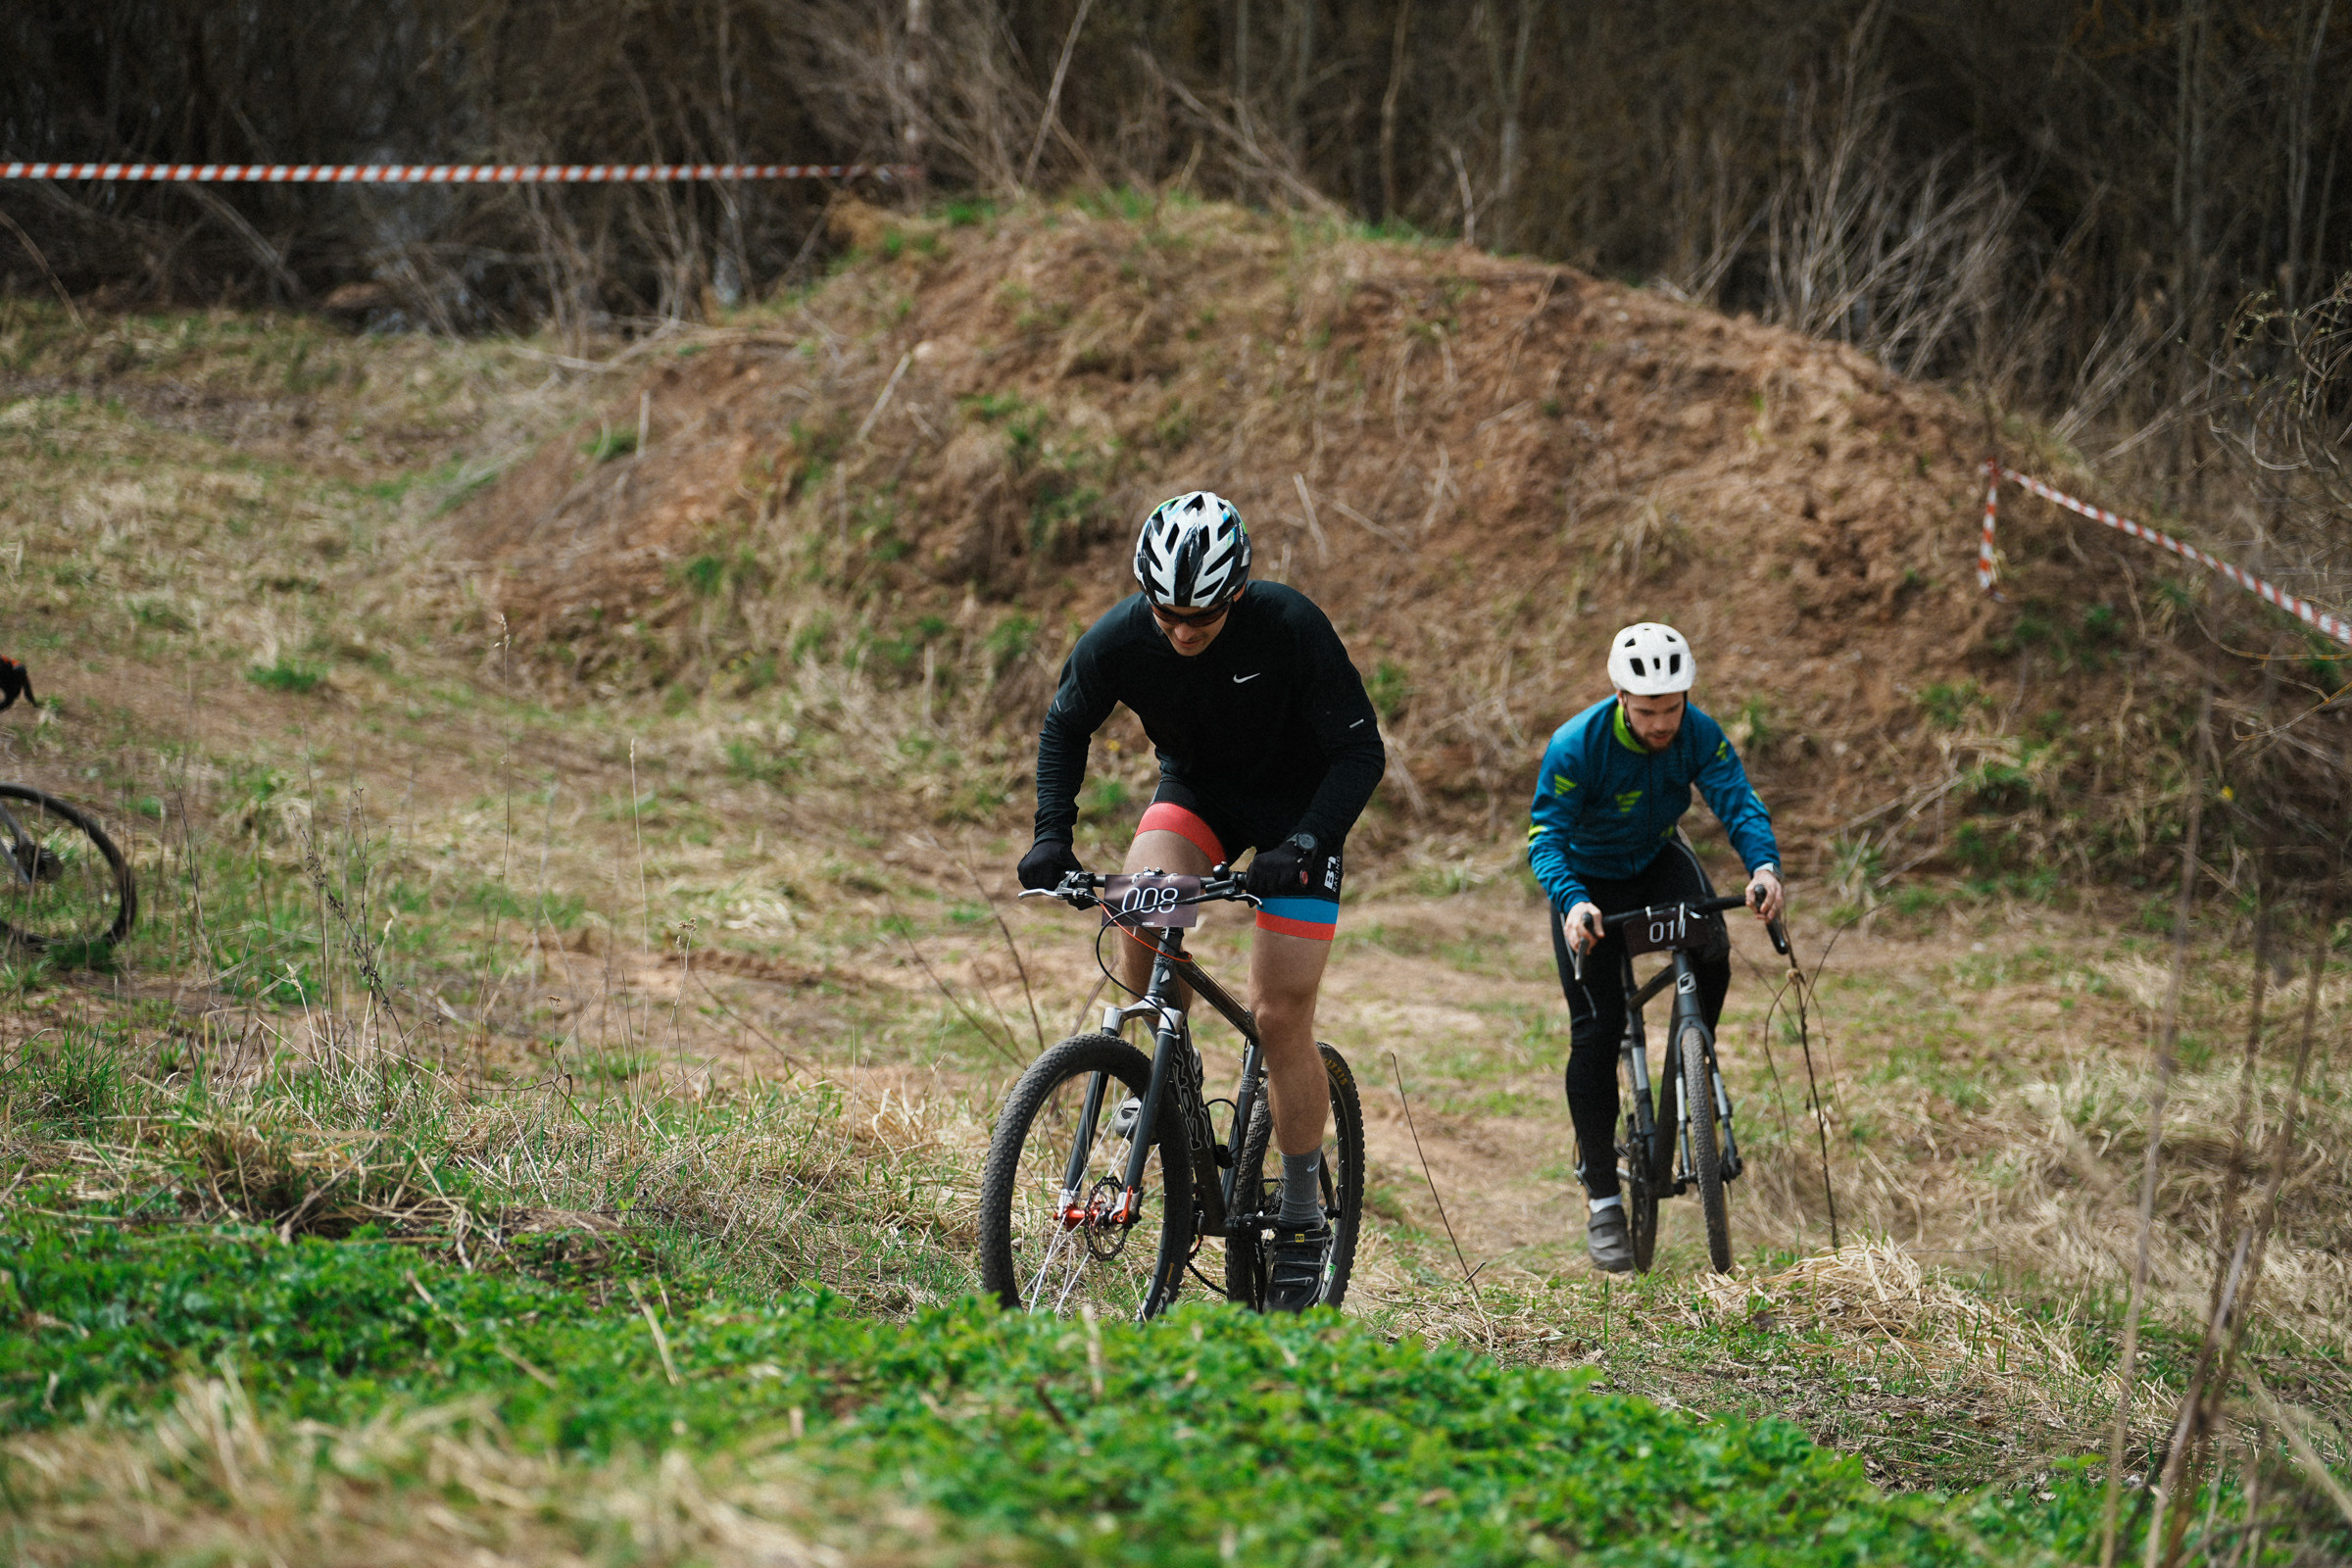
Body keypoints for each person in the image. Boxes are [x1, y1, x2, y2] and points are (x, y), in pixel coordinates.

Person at [1017, 490, 1386, 1311]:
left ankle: (1299, 1217)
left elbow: (1360, 754)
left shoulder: (1290, 627)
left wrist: (1309, 843)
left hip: (1298, 812)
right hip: (1199, 797)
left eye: (1203, 618)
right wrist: (1052, 835)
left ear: (1238, 595)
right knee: (1140, 915)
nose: (1183, 632)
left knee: (1278, 1015)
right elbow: (1063, 727)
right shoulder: (1120, 637)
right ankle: (1168, 1098)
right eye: (1169, 614)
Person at [1524, 622, 1784, 1272]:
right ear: (1619, 697)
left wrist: (1763, 868)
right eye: (1648, 712)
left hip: (1655, 860)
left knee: (1713, 948)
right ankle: (1603, 1198)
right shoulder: (1576, 746)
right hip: (1589, 883)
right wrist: (1572, 901)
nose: (1664, 723)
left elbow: (1738, 802)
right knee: (1597, 1026)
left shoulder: (1697, 730)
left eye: (1674, 707)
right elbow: (1545, 839)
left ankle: (1691, 1053)